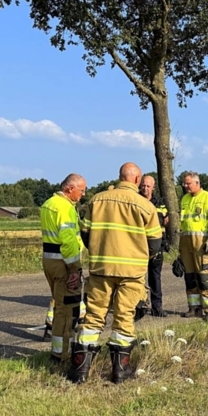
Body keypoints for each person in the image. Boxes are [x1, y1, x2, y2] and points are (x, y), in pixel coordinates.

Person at [69, 163, 162, 384]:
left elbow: (85, 233)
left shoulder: (97, 200)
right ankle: (120, 372)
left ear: (119, 177)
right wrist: (140, 257)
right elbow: (155, 243)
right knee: (124, 318)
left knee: (93, 317)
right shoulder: (145, 206)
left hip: (101, 269)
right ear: (137, 180)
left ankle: (80, 371)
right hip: (132, 272)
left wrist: (99, 252)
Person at [40, 174, 86, 365]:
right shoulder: (65, 208)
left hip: (49, 261)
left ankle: (57, 352)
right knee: (68, 312)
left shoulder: (48, 204)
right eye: (81, 190)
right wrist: (74, 269)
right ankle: (62, 356)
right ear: (70, 189)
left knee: (59, 307)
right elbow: (67, 241)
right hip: (64, 264)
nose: (83, 194)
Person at [179, 171, 208, 320]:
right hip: (186, 243)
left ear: (197, 183)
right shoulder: (184, 198)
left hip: (201, 243)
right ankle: (194, 308)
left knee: (204, 279)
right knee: (189, 278)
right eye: (184, 183)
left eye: (188, 183)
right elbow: (183, 223)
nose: (185, 186)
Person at [135, 174, 170, 319]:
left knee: (155, 277)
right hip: (138, 246)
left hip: (156, 247)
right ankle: (139, 306)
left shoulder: (160, 203)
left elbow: (166, 221)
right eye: (143, 185)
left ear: (153, 187)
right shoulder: (135, 200)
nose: (145, 188)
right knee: (138, 279)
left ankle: (157, 307)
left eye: (148, 186)